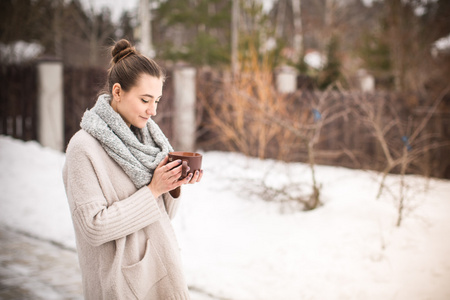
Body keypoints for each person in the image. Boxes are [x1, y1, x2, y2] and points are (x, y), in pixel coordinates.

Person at [62, 39, 202, 299]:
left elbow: (161, 216)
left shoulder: (148, 141)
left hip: (160, 269)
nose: (153, 111)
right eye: (145, 100)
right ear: (118, 92)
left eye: (157, 100)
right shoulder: (83, 148)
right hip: (122, 284)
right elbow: (94, 227)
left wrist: (173, 184)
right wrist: (153, 189)